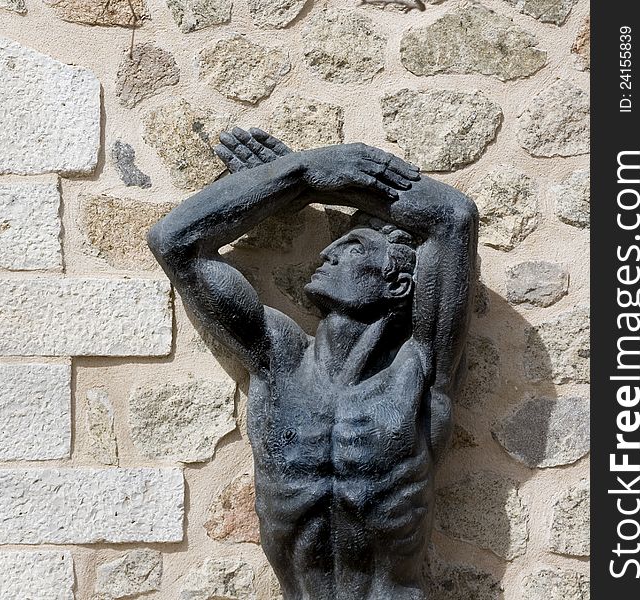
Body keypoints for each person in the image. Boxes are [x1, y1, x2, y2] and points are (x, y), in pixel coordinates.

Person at [148, 127, 478, 599]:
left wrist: (324, 179)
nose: (326, 252)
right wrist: (298, 172)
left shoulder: (418, 374)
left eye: (354, 249)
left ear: (400, 285)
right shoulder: (277, 361)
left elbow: (453, 218)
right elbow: (173, 242)